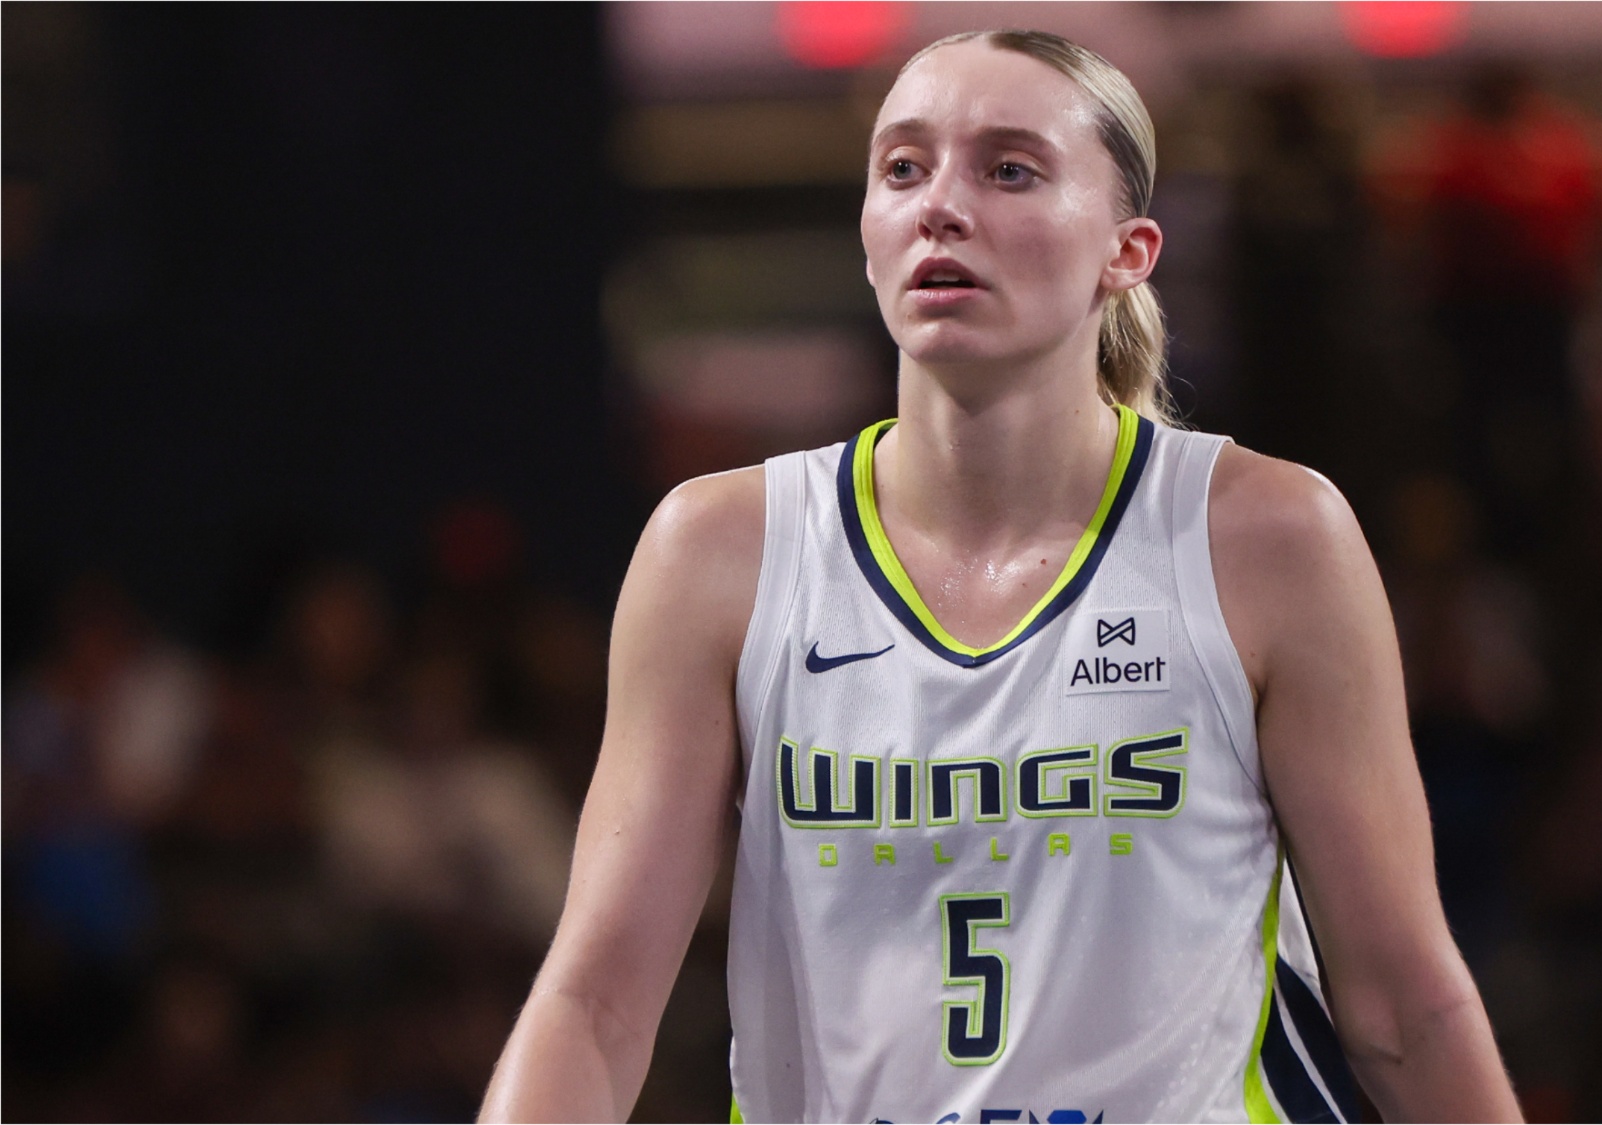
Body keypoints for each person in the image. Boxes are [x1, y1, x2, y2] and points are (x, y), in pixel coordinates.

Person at [482, 29, 1518, 1124]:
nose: (940, 204)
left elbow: (1406, 1008)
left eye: (1008, 168)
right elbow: (594, 1006)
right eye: (902, 167)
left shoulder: (1266, 538)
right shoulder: (716, 550)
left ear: (1127, 251)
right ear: (870, 235)